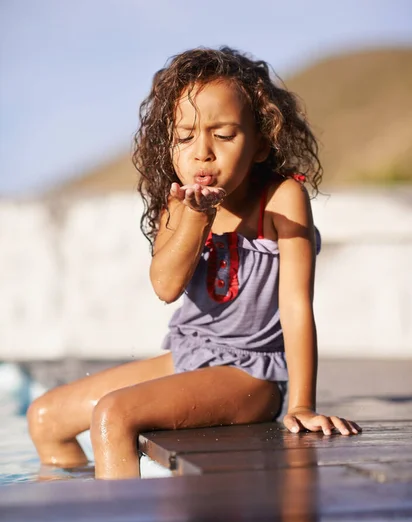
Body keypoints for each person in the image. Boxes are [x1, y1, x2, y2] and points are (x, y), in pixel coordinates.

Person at [28, 47, 361, 480]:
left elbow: (297, 306)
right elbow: (166, 286)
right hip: (189, 354)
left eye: (223, 136)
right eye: (186, 137)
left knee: (114, 415)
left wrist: (300, 404)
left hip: (250, 373)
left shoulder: (281, 199)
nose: (202, 153)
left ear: (260, 143)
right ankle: (81, 514)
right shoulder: (177, 205)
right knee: (44, 418)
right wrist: (196, 218)